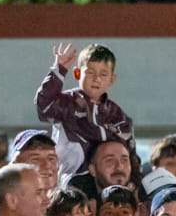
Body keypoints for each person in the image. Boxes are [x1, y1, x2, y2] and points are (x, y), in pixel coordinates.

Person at [38, 42, 134, 180]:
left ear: (112, 79)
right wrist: (59, 71)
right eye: (90, 72)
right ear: (77, 73)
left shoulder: (116, 115)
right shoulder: (66, 103)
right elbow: (43, 106)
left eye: (103, 74)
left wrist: (134, 183)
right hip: (70, 180)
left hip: (105, 182)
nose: (97, 79)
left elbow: (129, 151)